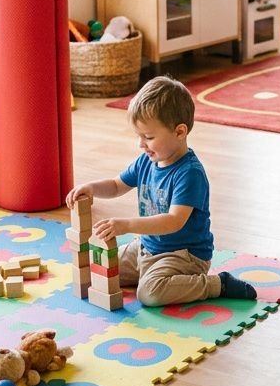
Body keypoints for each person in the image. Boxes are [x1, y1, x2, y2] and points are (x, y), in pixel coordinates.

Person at [65, 76, 257, 307]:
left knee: (150, 294)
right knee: (101, 265)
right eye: (139, 136)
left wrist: (125, 225)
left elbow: (173, 222)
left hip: (184, 256)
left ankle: (217, 284)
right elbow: (117, 185)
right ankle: (151, 274)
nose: (141, 144)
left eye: (149, 137)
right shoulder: (146, 161)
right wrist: (91, 188)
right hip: (146, 247)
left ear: (179, 132)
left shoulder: (190, 173)